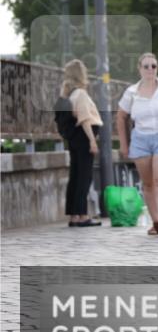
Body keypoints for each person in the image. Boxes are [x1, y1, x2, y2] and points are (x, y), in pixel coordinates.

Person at [116, 52, 158, 235]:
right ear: (139, 69)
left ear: (157, 68)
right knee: (148, 183)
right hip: (141, 138)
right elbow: (121, 116)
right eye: (146, 66)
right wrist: (124, 144)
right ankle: (156, 222)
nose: (150, 69)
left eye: (153, 66)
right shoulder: (131, 92)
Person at [60, 59, 102, 227]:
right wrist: (92, 141)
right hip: (83, 138)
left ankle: (73, 215)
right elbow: (85, 119)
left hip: (74, 139)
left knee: (75, 176)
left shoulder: (69, 94)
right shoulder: (81, 94)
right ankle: (83, 215)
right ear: (80, 74)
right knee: (84, 176)